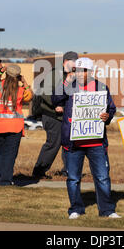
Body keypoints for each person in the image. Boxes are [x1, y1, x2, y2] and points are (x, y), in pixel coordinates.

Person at [52, 57, 120, 219]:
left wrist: (107, 116)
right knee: (73, 178)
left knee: (102, 177)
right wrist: (66, 83)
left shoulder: (101, 87)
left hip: (96, 141)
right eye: (77, 70)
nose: (80, 74)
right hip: (73, 141)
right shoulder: (69, 87)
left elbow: (111, 108)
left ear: (91, 72)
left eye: (83, 71)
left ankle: (107, 210)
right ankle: (76, 208)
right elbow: (55, 99)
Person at [31, 51, 78, 179]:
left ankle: (68, 170)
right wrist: (56, 104)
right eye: (73, 61)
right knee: (54, 143)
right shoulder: (54, 74)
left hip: (66, 115)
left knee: (69, 143)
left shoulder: (76, 76)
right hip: (51, 114)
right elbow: (45, 93)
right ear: (65, 62)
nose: (75, 64)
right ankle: (39, 171)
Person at [0, 64, 33, 186]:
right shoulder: (20, 91)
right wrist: (24, 82)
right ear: (17, 76)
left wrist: (0, 70)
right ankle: (5, 181)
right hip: (15, 128)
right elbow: (30, 95)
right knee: (10, 155)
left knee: (0, 153)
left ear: (7, 74)